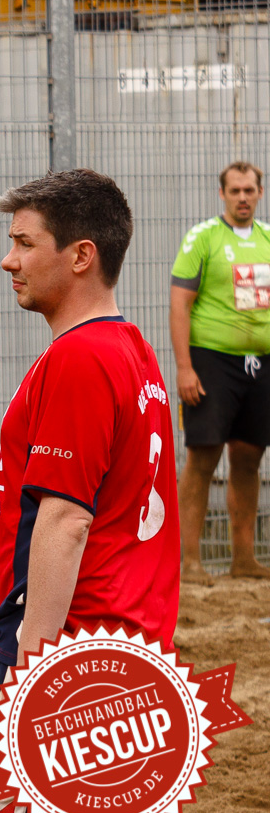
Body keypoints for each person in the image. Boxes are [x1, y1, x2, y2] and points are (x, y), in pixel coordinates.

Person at [0, 170, 180, 813]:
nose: (8, 259)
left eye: (23, 242)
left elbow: (69, 520)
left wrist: (32, 671)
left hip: (67, 648)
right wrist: (0, 579)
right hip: (131, 647)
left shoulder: (78, 357)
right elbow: (95, 499)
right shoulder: (131, 349)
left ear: (79, 255)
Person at [169, 160, 270, 584]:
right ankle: (188, 562)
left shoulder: (268, 239)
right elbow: (180, 304)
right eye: (235, 191)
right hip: (211, 361)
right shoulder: (202, 238)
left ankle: (242, 559)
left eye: (250, 190)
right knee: (202, 458)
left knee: (248, 459)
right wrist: (184, 368)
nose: (243, 197)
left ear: (260, 193)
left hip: (261, 365)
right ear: (222, 194)